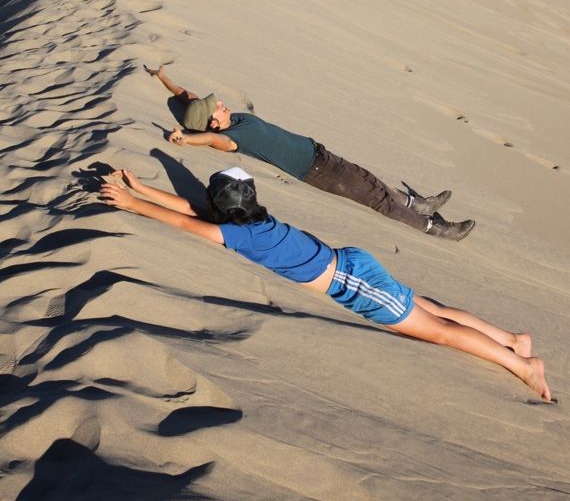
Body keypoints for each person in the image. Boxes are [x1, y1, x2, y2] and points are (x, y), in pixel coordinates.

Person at [100, 166, 551, 401]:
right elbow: (195, 210)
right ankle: (513, 339)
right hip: (352, 263)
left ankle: (521, 365)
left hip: (353, 284)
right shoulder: (253, 220)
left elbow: (184, 222)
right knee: (430, 308)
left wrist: (133, 203)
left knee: (437, 331)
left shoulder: (232, 232)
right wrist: (141, 188)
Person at [144, 64, 476, 240]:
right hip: (317, 171)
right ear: (213, 125)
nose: (218, 103)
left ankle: (418, 204)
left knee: (370, 180)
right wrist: (186, 138)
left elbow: (189, 98)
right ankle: (435, 228)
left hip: (318, 155)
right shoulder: (229, 137)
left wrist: (164, 78)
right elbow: (209, 141)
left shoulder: (224, 119)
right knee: (376, 199)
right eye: (213, 108)